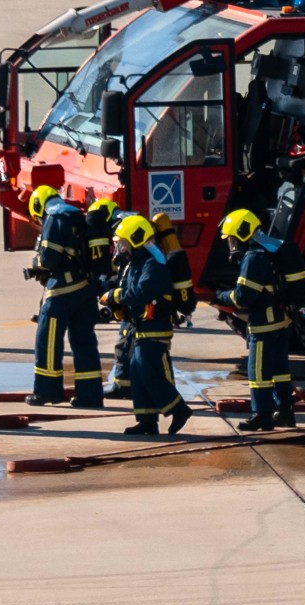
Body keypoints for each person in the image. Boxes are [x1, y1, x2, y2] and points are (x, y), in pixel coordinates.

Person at [99, 215, 192, 436]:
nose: (120, 248)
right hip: (139, 326)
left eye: (123, 243)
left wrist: (114, 295)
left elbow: (142, 292)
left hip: (155, 326)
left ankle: (179, 408)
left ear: (135, 239)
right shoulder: (136, 262)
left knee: (147, 370)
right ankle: (147, 421)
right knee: (137, 373)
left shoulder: (153, 263)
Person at [215, 209, 296, 431]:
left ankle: (262, 415)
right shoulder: (270, 249)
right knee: (279, 371)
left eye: (232, 239)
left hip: (264, 326)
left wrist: (219, 296)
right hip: (281, 322)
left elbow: (243, 297)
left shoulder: (253, 257)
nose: (231, 245)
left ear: (241, 235)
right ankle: (286, 413)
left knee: (258, 374)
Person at [26, 186, 103, 408]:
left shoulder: (54, 216)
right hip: (86, 289)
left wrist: (36, 265)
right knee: (84, 342)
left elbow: (49, 259)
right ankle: (91, 396)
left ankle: (46, 391)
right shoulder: (75, 213)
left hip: (62, 290)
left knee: (47, 341)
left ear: (38, 207)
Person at [87, 199, 132, 400]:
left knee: (126, 340)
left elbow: (128, 268)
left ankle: (123, 386)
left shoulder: (121, 230)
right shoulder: (128, 221)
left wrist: (111, 290)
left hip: (136, 297)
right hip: (138, 292)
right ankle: (126, 384)